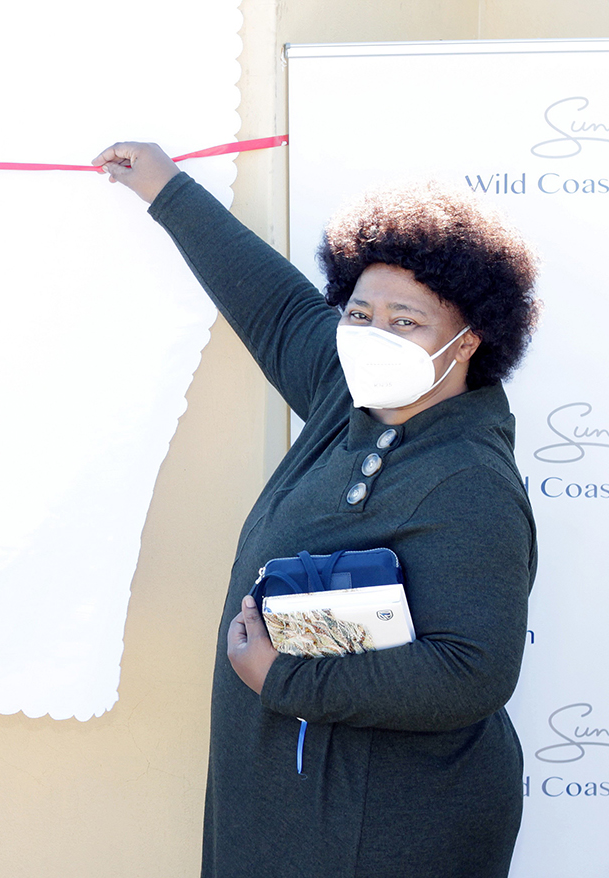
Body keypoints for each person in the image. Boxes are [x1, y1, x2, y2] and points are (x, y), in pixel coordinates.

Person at [93, 142, 538, 877]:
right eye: (360, 312)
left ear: (469, 341)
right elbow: (269, 300)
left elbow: (473, 672)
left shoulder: (471, 480)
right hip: (288, 807)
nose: (373, 336)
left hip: (397, 830)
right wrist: (165, 188)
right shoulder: (348, 395)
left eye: (406, 322)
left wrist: (285, 680)